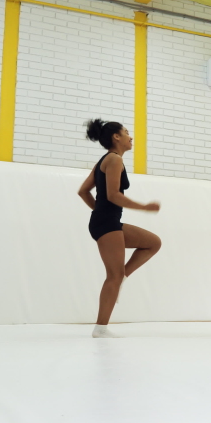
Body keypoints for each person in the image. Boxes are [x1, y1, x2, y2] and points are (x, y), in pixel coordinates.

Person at [78, 119, 162, 338]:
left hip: (106, 221)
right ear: (116, 137)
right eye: (126, 132)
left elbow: (83, 191)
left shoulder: (104, 160)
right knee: (112, 276)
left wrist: (99, 211)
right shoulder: (114, 160)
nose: (130, 136)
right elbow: (114, 195)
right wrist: (144, 207)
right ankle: (100, 329)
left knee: (153, 243)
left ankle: (123, 276)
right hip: (107, 223)